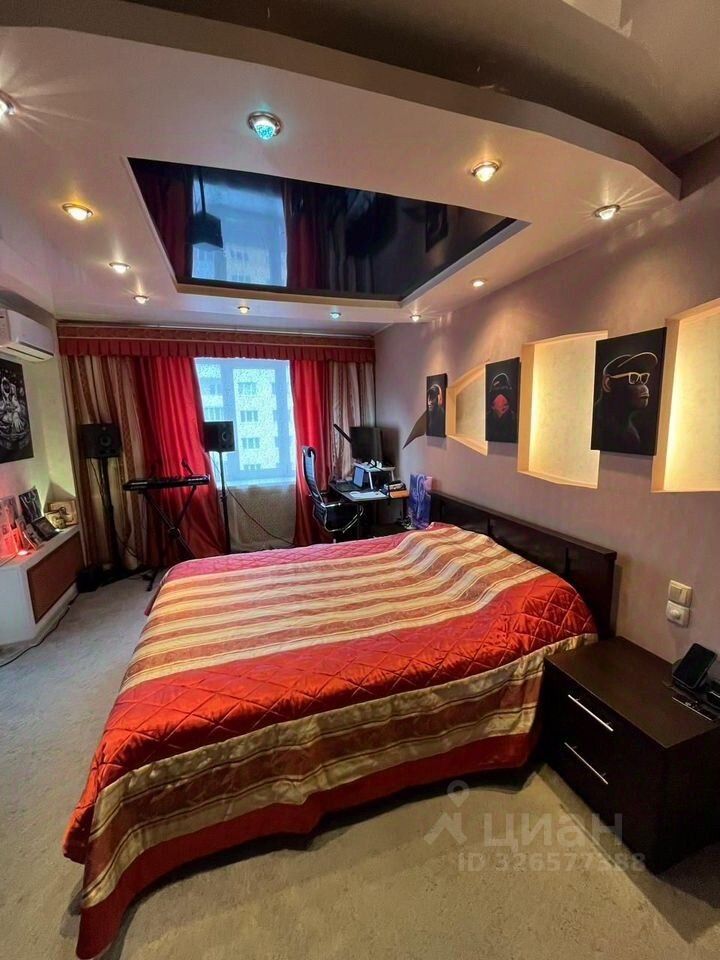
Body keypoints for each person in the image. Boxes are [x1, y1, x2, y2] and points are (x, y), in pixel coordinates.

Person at [592, 351, 658, 454]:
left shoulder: (631, 434)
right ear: (608, 384)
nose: (644, 387)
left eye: (643, 378)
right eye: (633, 378)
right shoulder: (596, 427)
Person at [486, 372, 517, 442]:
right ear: (492, 404)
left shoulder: (515, 420)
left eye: (507, 394)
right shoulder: (487, 420)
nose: (505, 400)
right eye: (501, 393)